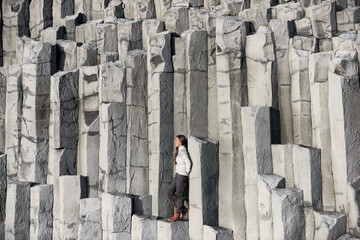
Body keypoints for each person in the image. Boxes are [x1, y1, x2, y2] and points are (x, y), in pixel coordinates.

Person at [167, 135, 191, 222]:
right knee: (170, 192)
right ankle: (183, 209)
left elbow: (188, 161)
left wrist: (187, 172)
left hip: (182, 176)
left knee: (179, 195)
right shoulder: (180, 150)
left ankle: (177, 214)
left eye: (176, 140)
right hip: (178, 175)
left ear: (181, 141)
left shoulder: (183, 150)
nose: (175, 142)